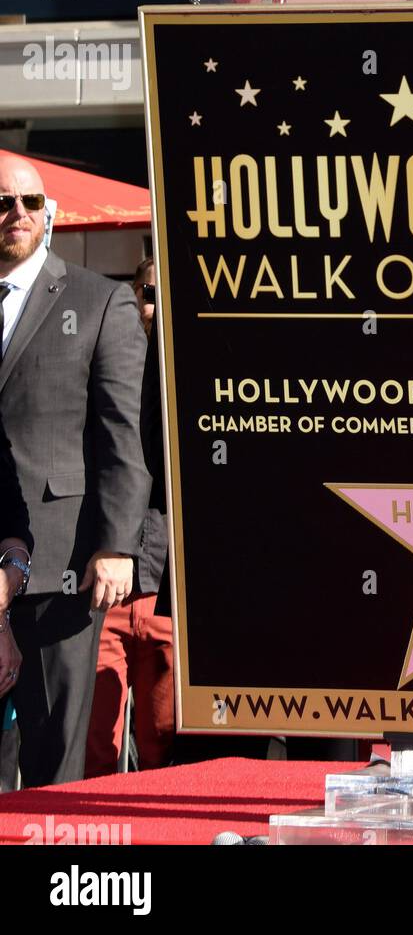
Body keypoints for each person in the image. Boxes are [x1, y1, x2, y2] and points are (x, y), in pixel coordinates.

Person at [0, 153, 150, 786]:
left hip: (62, 564)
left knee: (52, 754)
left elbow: (124, 436)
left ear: (50, 214)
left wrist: (117, 546)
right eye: (5, 202)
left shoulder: (99, 300)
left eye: (32, 203)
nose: (18, 214)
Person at [84, 258, 174, 778]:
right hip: (102, 590)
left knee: (163, 742)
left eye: (166, 298)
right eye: (146, 293)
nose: (155, 308)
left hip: (163, 584)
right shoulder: (98, 370)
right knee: (94, 742)